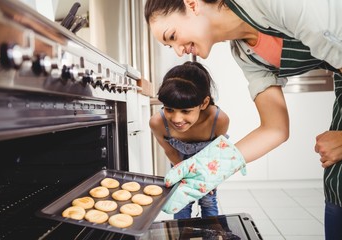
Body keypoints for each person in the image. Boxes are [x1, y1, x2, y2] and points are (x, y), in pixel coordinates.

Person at [144, 0, 342, 239]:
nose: (178, 51)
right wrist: (211, 168)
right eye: (169, 46)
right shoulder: (245, 54)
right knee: (337, 184)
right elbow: (275, 128)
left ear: (192, 4)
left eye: (173, 35)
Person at [149, 61, 230, 219]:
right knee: (180, 202)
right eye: (169, 109)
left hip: (208, 165)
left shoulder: (218, 120)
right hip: (179, 163)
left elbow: (217, 152)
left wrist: (208, 179)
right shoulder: (157, 122)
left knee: (208, 200)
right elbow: (170, 151)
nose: (177, 119)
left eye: (186, 111)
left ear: (204, 103)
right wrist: (183, 176)